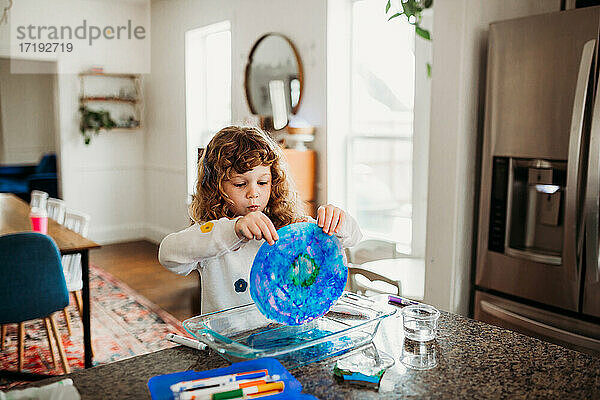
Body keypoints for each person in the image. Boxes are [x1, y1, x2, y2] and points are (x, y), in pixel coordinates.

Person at [158, 126, 362, 314]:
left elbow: (354, 237)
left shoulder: (290, 225)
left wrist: (338, 221)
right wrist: (234, 230)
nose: (253, 193)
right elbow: (168, 254)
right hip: (231, 345)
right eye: (240, 184)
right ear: (215, 186)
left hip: (284, 336)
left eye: (263, 182)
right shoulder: (214, 234)